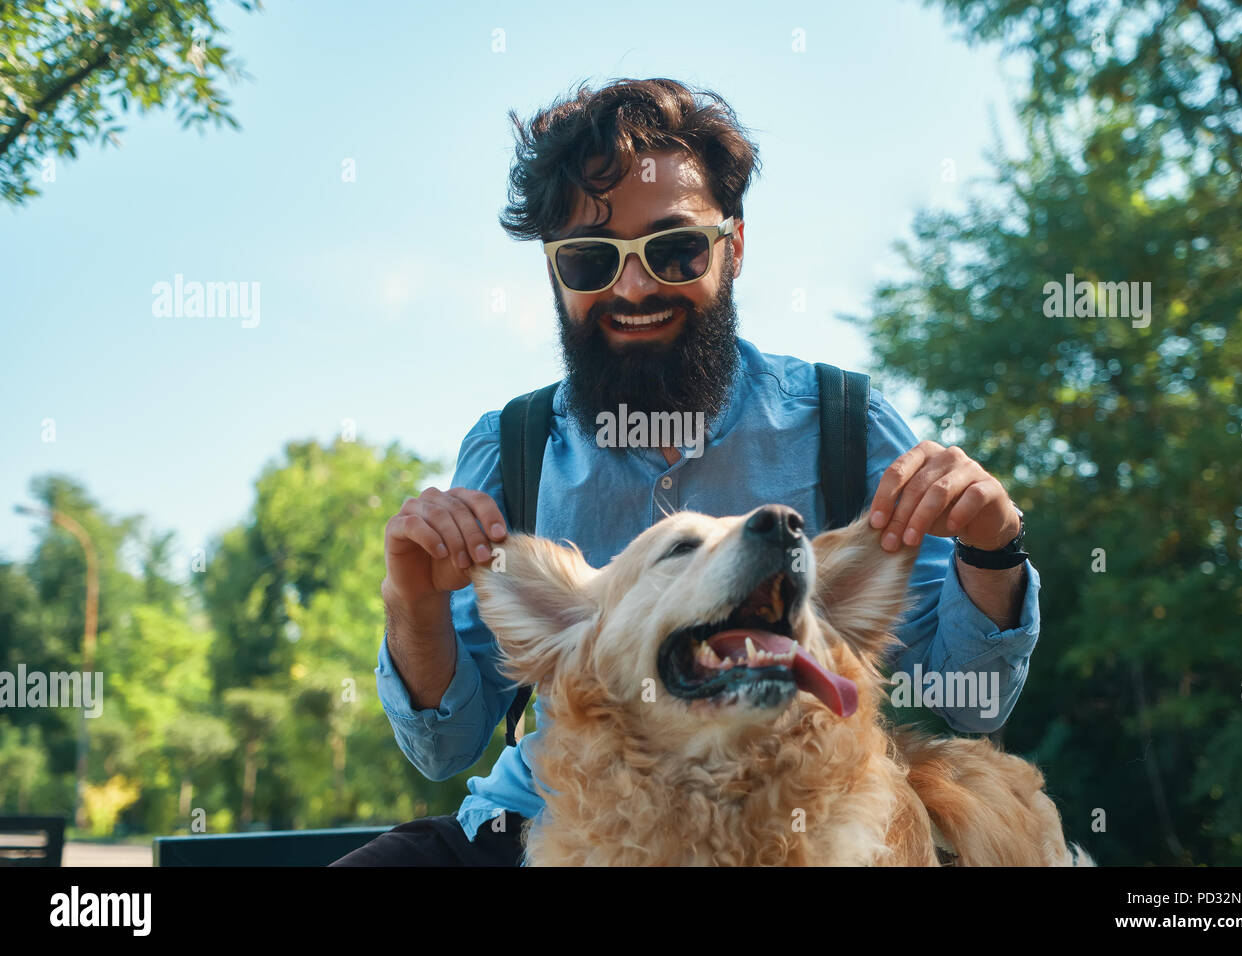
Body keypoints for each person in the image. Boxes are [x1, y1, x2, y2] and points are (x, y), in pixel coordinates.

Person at [331, 77, 1037, 867]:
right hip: (547, 819)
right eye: (592, 260)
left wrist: (992, 546)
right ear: (556, 272)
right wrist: (413, 603)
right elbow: (444, 747)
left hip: (801, 831)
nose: (633, 288)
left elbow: (972, 702)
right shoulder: (511, 446)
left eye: (674, 249)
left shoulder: (847, 423)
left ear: (733, 247)